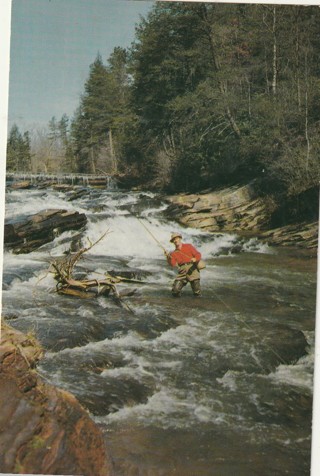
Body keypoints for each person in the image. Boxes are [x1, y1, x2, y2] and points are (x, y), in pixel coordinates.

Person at [165, 232, 202, 297]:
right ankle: (180, 305)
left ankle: (198, 305)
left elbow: (198, 254)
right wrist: (168, 257)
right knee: (175, 292)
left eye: (176, 238)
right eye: (173, 240)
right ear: (173, 242)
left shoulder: (189, 246)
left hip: (192, 269)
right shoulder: (173, 253)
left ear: (180, 239)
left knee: (197, 293)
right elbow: (173, 264)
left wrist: (195, 259)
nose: (175, 240)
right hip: (182, 271)